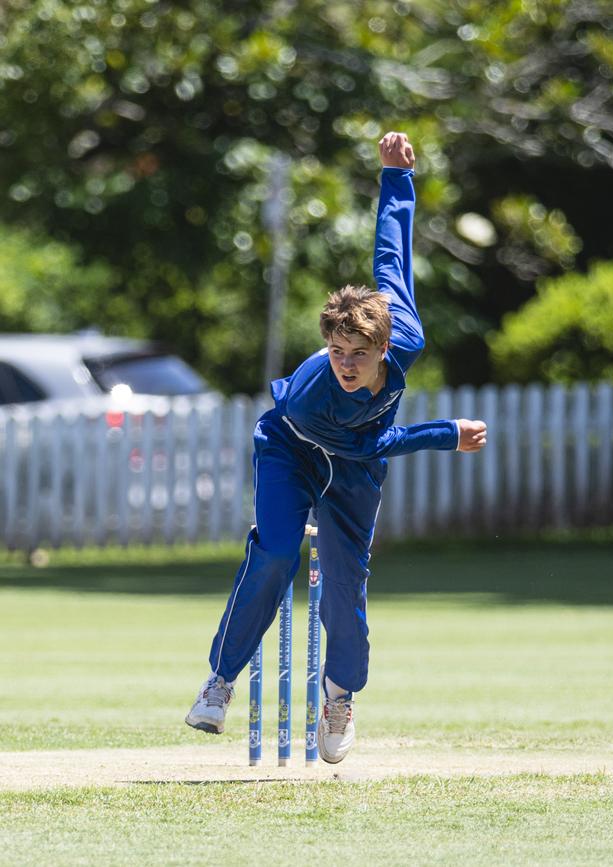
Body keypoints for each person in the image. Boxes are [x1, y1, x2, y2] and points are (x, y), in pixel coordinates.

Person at [185, 131, 487, 764]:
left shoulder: (402, 334)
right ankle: (221, 681)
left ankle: (341, 694)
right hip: (293, 447)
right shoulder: (310, 392)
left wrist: (396, 177)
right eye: (337, 351)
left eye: (358, 354)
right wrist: (444, 434)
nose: (346, 365)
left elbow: (390, 259)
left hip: (357, 466)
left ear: (383, 348)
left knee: (346, 584)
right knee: (273, 553)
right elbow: (378, 437)